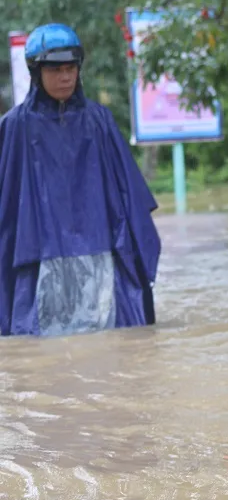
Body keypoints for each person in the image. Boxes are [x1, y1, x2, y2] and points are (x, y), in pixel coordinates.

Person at [0, 23, 161, 336]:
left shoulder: (99, 121)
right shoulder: (14, 127)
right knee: (40, 351)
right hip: (37, 261)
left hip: (100, 254)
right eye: (55, 69)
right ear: (36, 72)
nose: (65, 77)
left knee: (110, 346)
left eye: (70, 68)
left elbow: (128, 197)